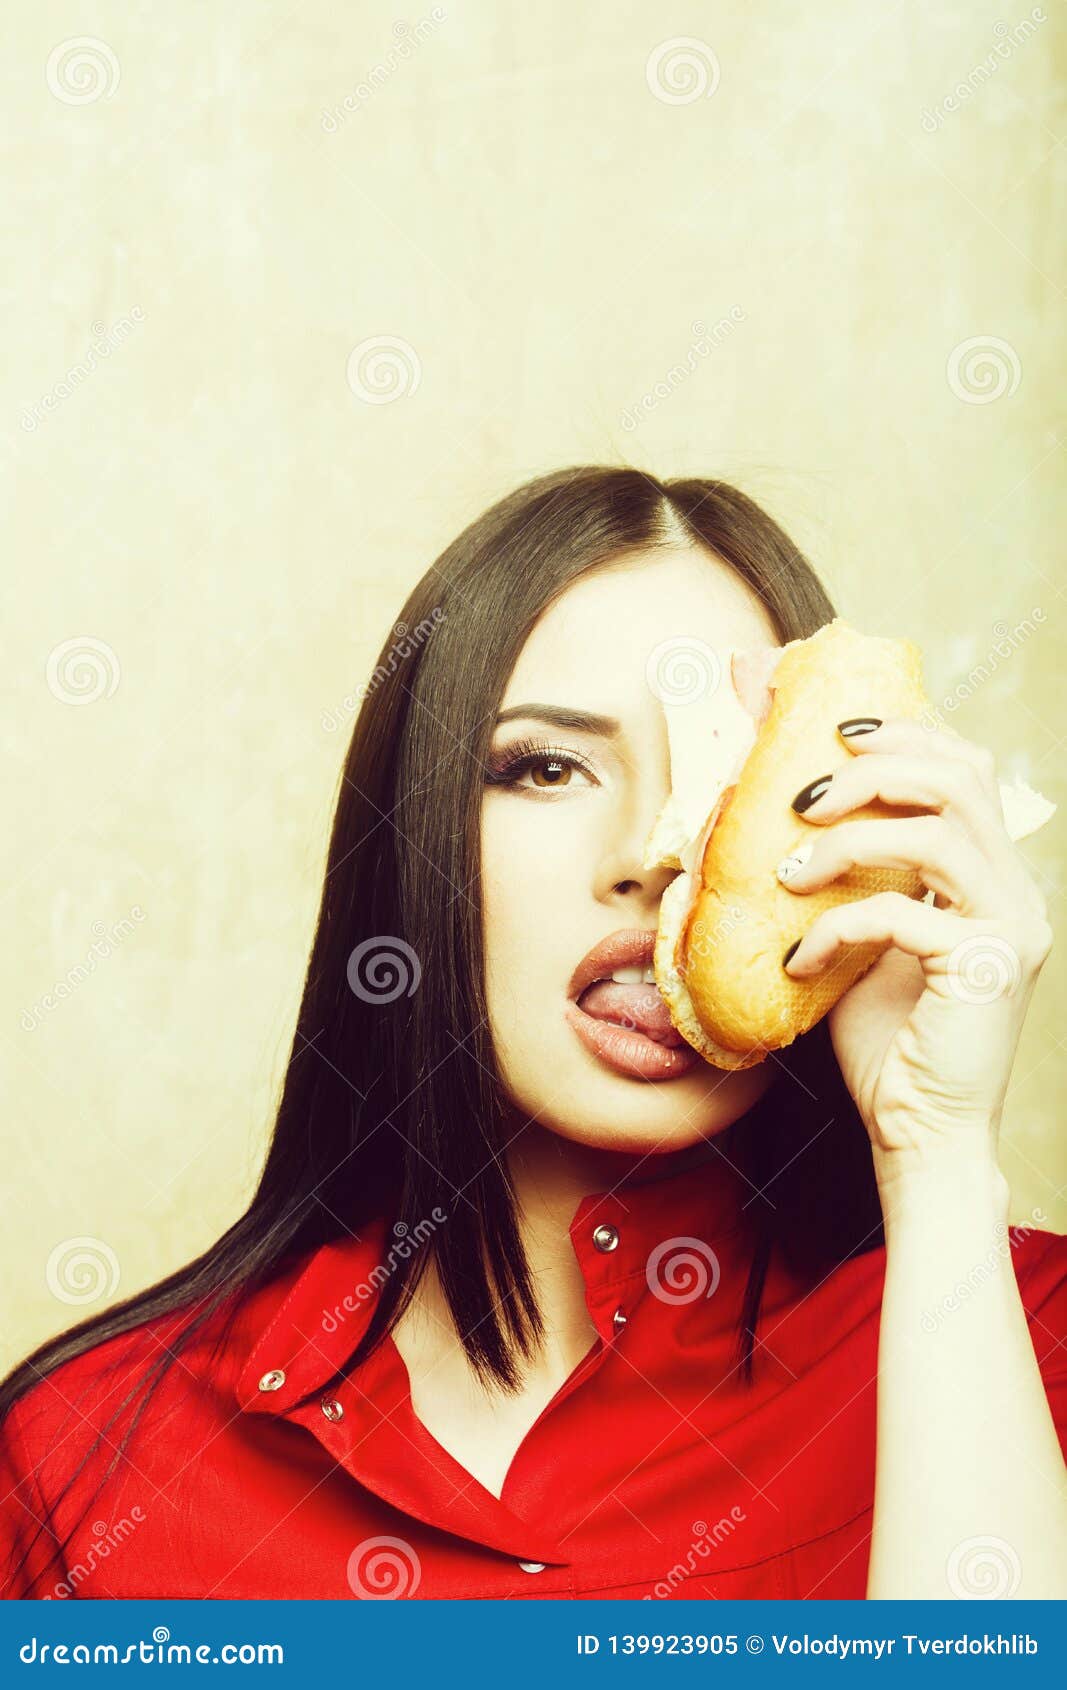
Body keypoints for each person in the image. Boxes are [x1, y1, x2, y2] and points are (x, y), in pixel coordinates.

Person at [2, 466, 1064, 1601]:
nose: (655, 854)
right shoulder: (92, 1460)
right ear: (416, 840)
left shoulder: (1025, 1349)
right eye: (546, 767)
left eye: (726, 774)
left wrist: (936, 1153)